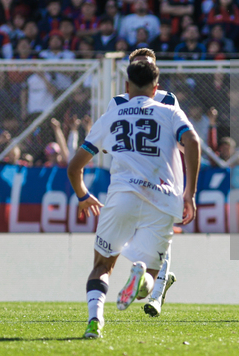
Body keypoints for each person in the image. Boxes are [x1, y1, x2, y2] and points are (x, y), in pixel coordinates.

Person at [68, 60, 200, 339]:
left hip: (122, 196)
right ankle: (142, 278)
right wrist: (190, 192)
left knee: (102, 266)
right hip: (163, 200)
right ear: (156, 89)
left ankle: (95, 322)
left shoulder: (111, 115)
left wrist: (83, 195)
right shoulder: (169, 111)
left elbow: (74, 167)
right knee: (152, 274)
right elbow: (194, 142)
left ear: (126, 87)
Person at [105, 48, 181, 318]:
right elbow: (109, 142)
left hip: (161, 183)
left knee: (161, 241)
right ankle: (155, 283)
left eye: (146, 65)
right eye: (137, 65)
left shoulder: (168, 100)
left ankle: (157, 295)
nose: (142, 70)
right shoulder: (117, 103)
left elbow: (181, 140)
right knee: (134, 247)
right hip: (127, 183)